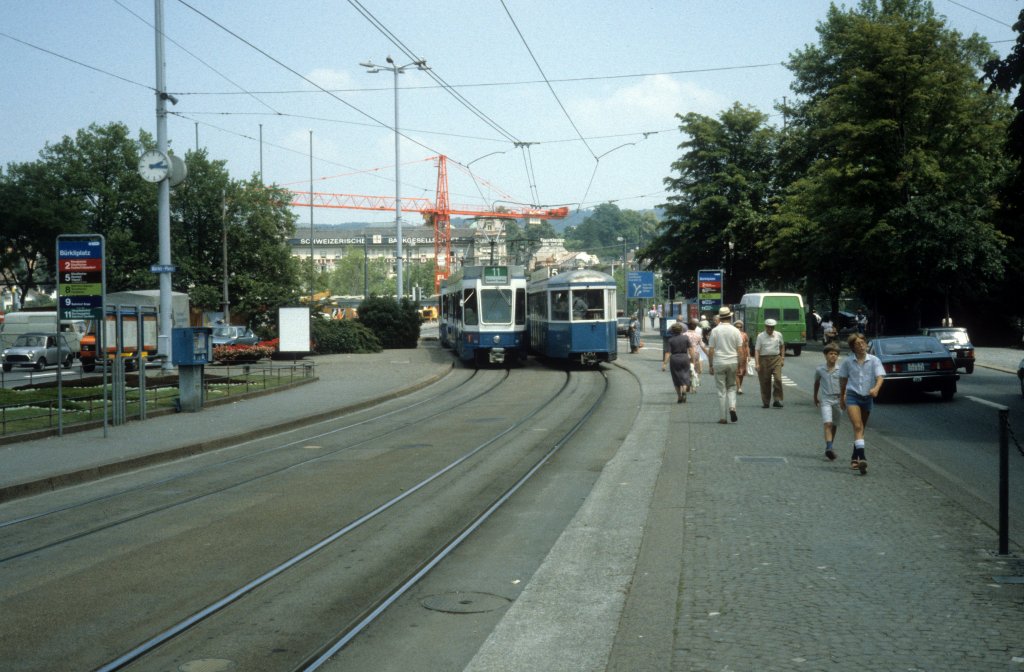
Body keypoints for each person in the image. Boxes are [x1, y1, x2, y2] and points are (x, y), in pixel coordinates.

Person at [839, 333, 885, 474]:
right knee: (857, 426)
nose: (861, 345)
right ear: (853, 347)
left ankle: (855, 456)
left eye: (863, 342)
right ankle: (863, 458)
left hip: (867, 397)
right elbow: (843, 381)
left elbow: (880, 377)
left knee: (861, 429)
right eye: (857, 344)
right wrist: (842, 397)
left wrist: (876, 389)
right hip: (852, 396)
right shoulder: (847, 362)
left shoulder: (874, 360)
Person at [707, 306, 743, 424]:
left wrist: (711, 364)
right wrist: (741, 365)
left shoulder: (715, 330)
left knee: (721, 390)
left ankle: (723, 417)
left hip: (719, 362)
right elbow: (740, 350)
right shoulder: (736, 331)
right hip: (733, 361)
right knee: (732, 387)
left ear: (720, 318)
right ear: (730, 317)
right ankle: (732, 407)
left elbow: (711, 350)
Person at [813, 342, 843, 461]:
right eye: (831, 353)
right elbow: (816, 383)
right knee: (827, 423)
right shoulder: (820, 369)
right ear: (825, 355)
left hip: (838, 400)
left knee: (834, 424)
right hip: (826, 399)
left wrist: (845, 398)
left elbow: (845, 384)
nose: (833, 356)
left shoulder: (841, 369)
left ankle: (829, 446)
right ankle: (829, 447)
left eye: (835, 354)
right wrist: (815, 396)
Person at [754, 318, 785, 408]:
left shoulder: (778, 335)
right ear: (765, 327)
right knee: (765, 381)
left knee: (778, 379)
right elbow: (757, 350)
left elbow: (782, 346)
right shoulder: (760, 336)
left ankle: (777, 399)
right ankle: (766, 401)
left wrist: (782, 358)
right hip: (764, 359)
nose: (770, 329)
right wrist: (757, 363)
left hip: (776, 358)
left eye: (772, 327)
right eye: (768, 327)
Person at [661, 321, 694, 403]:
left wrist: (664, 363)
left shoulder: (670, 340)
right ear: (681, 330)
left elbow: (668, 352)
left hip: (674, 359)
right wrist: (692, 359)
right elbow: (690, 349)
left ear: (672, 330)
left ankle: (679, 396)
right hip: (684, 357)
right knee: (685, 375)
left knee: (676, 378)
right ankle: (684, 390)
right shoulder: (686, 338)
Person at [686, 318, 703, 393]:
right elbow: (702, 346)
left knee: (686, 370)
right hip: (695, 354)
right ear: (695, 327)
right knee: (695, 370)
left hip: (686, 354)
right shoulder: (698, 335)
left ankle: (687, 386)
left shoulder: (684, 335)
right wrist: (708, 354)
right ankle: (694, 387)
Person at [734, 319, 750, 394]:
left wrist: (749, 355)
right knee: (736, 372)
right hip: (734, 355)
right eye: (737, 327)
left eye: (740, 327)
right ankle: (739, 387)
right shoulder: (732, 335)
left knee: (742, 372)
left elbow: (747, 346)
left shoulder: (744, 335)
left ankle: (739, 386)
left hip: (743, 355)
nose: (739, 328)